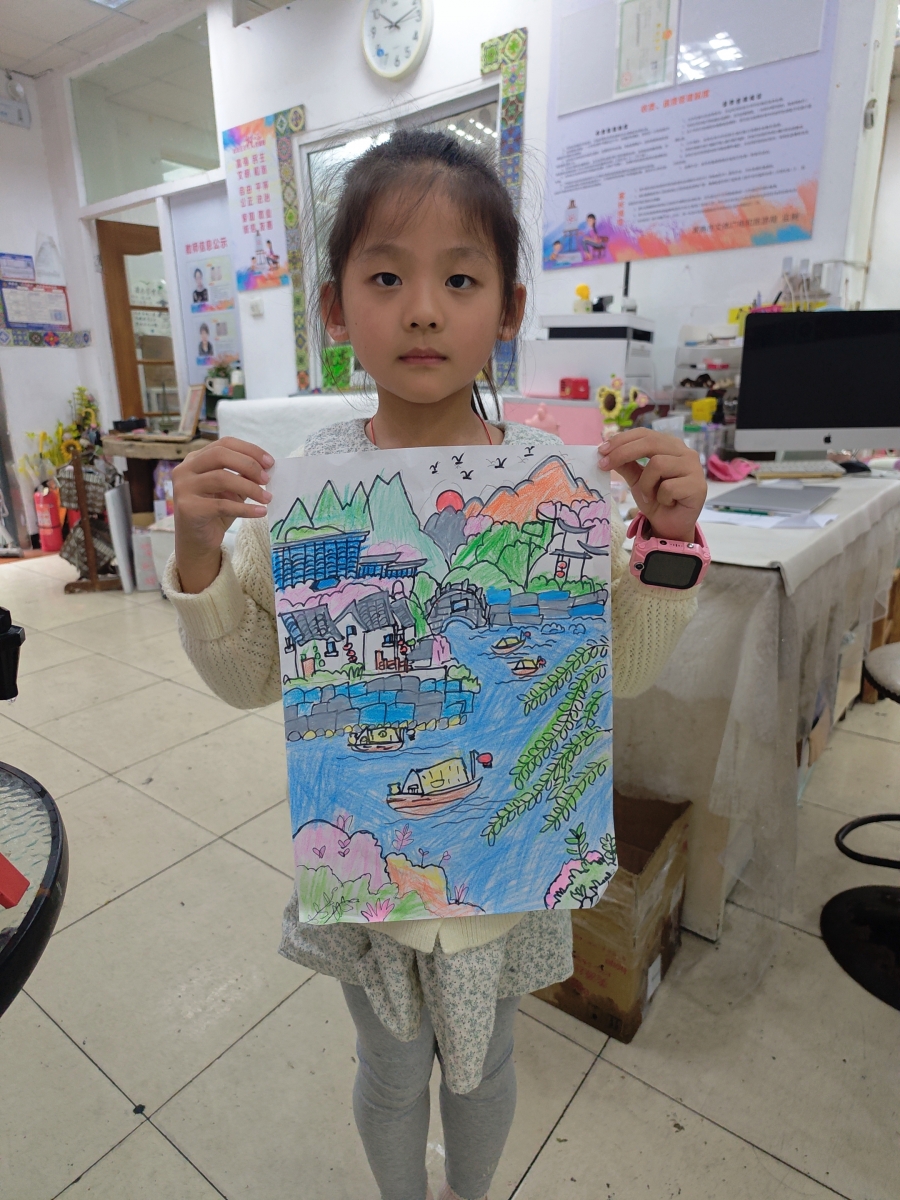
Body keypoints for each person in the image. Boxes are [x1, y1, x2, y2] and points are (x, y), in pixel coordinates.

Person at [166, 129, 706, 1200]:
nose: (422, 309)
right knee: (388, 1070)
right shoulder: (305, 495)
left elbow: (622, 674)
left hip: (505, 874)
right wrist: (196, 557)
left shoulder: (556, 488)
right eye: (386, 277)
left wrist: (670, 544)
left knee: (487, 1066)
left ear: (508, 308)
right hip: (373, 879)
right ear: (335, 310)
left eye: (460, 279)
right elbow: (249, 680)